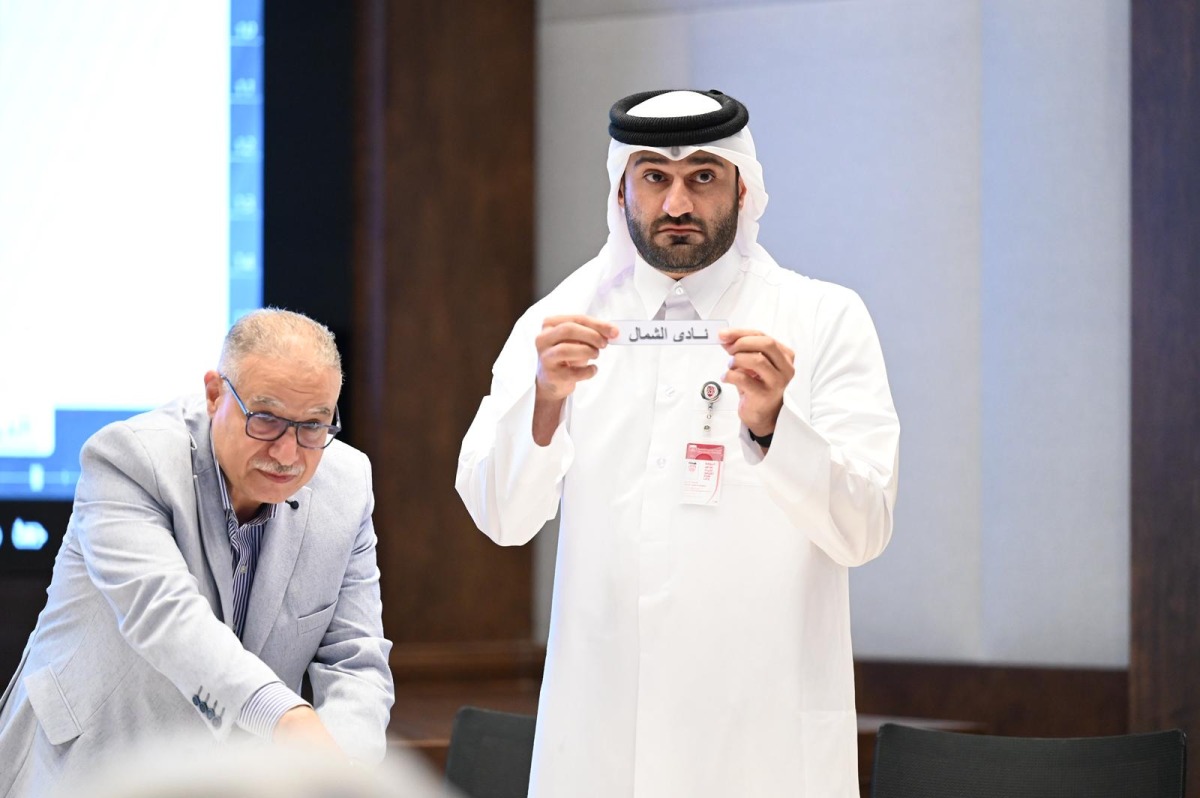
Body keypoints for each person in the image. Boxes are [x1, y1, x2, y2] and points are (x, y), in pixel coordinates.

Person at [456, 89, 900, 796]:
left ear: (742, 187)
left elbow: (864, 529)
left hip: (761, 746)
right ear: (621, 189)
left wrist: (773, 425)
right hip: (599, 742)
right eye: (654, 177)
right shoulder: (560, 322)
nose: (677, 204)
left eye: (702, 175)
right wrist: (543, 403)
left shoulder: (823, 319)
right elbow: (501, 518)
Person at [0, 308, 394, 797]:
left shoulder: (347, 483)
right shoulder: (129, 459)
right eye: (266, 419)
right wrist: (288, 720)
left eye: (313, 426)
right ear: (214, 395)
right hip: (85, 764)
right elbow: (166, 615)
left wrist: (344, 772)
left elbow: (353, 661)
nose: (289, 454)